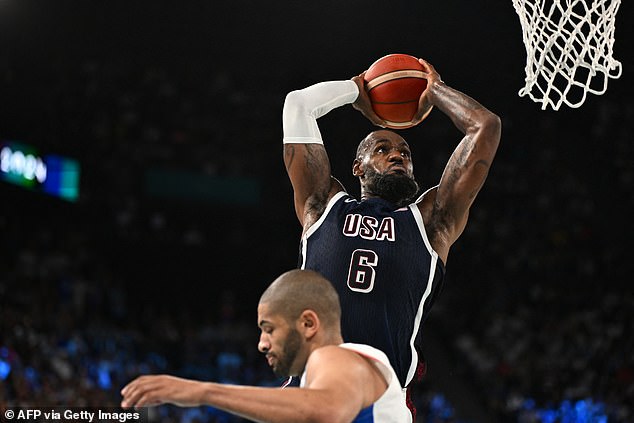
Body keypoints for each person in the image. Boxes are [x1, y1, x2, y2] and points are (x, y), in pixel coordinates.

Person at [282, 57, 501, 416]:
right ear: (357, 168)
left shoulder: (432, 221)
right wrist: (357, 90)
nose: (398, 155)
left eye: (405, 152)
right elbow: (298, 105)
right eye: (382, 149)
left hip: (381, 401)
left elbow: (485, 127)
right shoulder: (321, 205)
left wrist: (436, 92)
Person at [120, 269, 412, 423]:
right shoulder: (339, 374)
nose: (261, 344)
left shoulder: (334, 357)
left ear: (309, 324)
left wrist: (201, 391)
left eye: (269, 329)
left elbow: (327, 410)